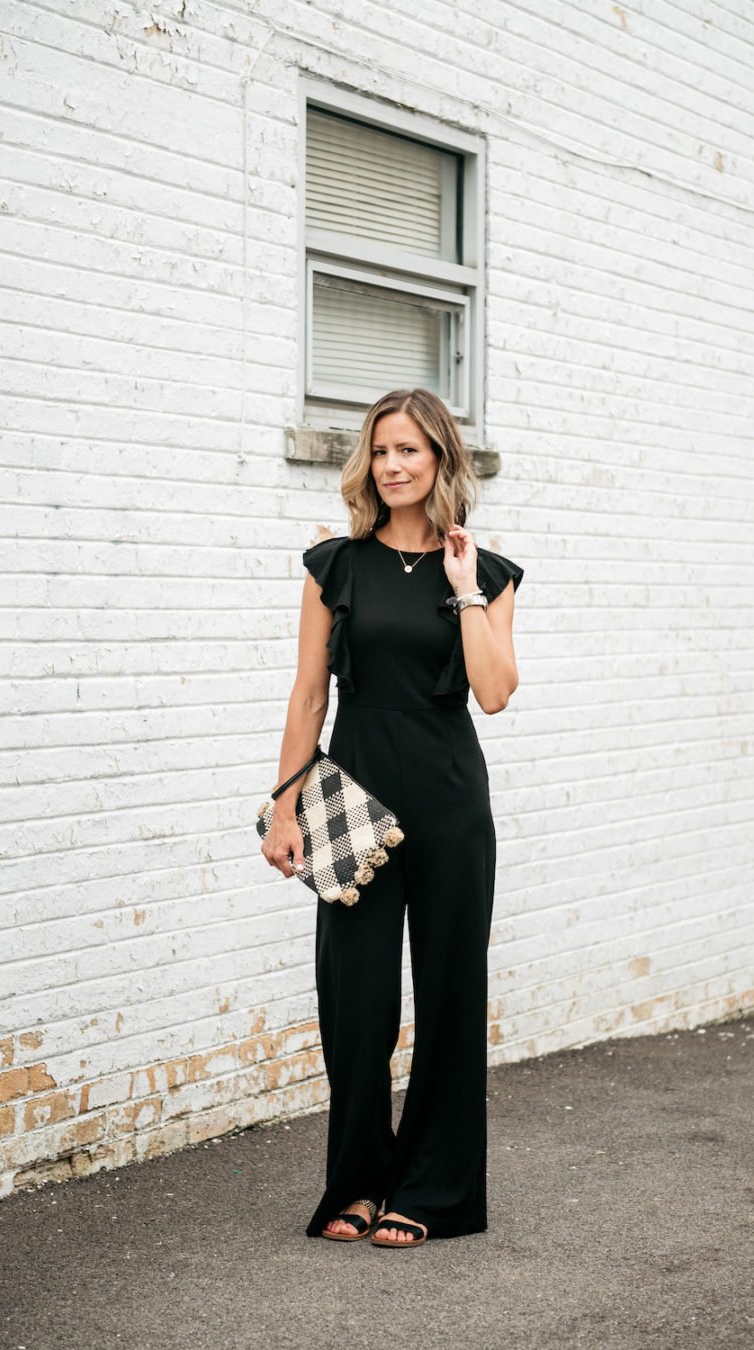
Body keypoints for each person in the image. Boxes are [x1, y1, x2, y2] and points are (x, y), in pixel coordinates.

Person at [261, 387, 524, 1247]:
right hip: (351, 794)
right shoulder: (333, 565)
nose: (394, 465)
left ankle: (435, 1191)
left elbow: (493, 693)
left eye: (410, 450)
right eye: (381, 451)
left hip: (450, 801)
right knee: (356, 1002)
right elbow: (307, 694)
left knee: (451, 995)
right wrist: (283, 806)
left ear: (441, 458)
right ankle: (359, 1182)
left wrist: (463, 589)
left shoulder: (484, 572)